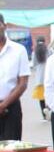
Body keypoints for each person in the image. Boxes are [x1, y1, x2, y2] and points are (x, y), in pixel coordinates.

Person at [0, 12, 30, 140]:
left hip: (11, 108)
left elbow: (23, 83)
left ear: (4, 26)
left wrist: (3, 105)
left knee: (11, 147)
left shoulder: (19, 50)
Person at [31, 37, 51, 118]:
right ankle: (49, 110)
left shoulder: (34, 52)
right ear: (44, 41)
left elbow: (33, 64)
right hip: (49, 76)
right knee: (50, 94)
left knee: (41, 97)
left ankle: (44, 115)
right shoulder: (49, 50)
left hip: (40, 78)